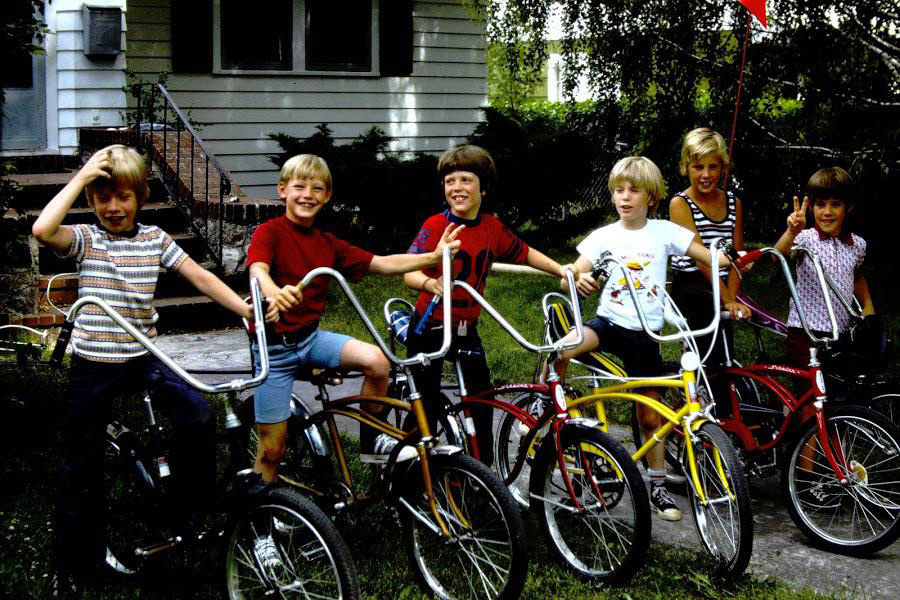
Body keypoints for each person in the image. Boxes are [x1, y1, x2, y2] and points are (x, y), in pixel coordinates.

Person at [31, 145, 275, 586]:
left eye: (122, 196)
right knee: (81, 464)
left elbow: (199, 277)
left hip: (144, 357)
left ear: (140, 197)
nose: (113, 207)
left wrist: (243, 309)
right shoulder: (89, 239)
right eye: (102, 197)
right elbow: (43, 229)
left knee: (198, 415)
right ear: (90, 200)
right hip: (94, 365)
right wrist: (83, 175)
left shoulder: (156, 238)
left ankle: (186, 509)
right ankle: (77, 563)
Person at [247, 153, 463, 479]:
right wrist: (272, 290)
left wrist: (432, 256)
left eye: (317, 188)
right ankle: (262, 516)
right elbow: (257, 268)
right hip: (273, 350)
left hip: (310, 339)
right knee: (273, 451)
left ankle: (372, 443)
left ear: (327, 196)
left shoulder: (328, 244)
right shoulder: (270, 232)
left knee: (379, 363)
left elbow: (381, 263)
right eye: (299, 186)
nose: (307, 194)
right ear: (282, 190)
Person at [553, 156, 734, 521]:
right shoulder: (603, 237)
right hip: (608, 323)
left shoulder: (665, 231)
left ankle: (658, 485)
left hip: (644, 334)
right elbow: (569, 275)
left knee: (650, 416)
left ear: (651, 197)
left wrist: (723, 258)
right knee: (563, 347)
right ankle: (554, 407)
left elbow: (711, 258)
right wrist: (575, 277)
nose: (624, 197)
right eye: (619, 190)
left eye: (633, 190)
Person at [403, 144, 577, 467]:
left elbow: (525, 252)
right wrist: (431, 283)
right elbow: (409, 272)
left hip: (466, 330)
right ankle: (412, 467)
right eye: (450, 181)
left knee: (482, 400)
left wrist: (561, 269)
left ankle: (481, 472)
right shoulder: (435, 225)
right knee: (423, 406)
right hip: (429, 327)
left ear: (482, 187)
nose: (457, 187)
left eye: (466, 180)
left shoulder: (491, 229)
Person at [773, 167, 874, 368]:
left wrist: (868, 306)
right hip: (805, 332)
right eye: (820, 205)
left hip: (840, 332)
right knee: (812, 392)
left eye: (835, 205)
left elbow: (856, 277)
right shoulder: (805, 238)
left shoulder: (857, 244)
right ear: (812, 208)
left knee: (837, 390)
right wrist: (791, 232)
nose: (827, 212)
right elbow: (778, 255)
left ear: (848, 207)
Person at [668, 128, 751, 367]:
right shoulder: (680, 203)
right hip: (692, 280)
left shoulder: (734, 203)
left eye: (713, 167)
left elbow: (737, 256)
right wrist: (726, 301)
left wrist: (732, 298)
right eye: (698, 167)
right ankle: (705, 375)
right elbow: (702, 260)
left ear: (723, 167)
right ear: (686, 167)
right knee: (707, 307)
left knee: (728, 327)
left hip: (723, 280)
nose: (706, 174)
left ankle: (725, 372)